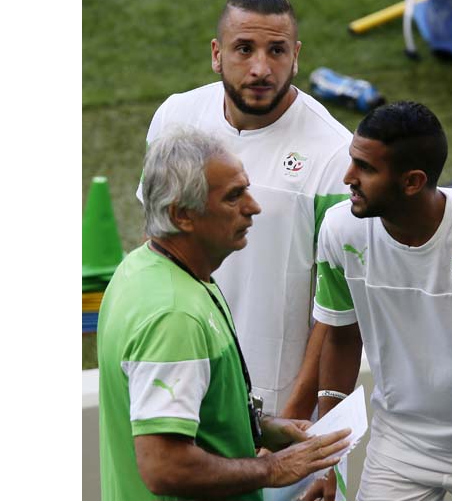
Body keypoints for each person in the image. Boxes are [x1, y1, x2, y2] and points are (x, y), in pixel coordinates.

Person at [136, 0, 352, 420]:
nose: (260, 68)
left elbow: (336, 311)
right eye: (244, 49)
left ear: (296, 56)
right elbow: (152, 244)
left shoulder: (335, 156)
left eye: (276, 51)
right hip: (179, 380)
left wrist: (295, 417)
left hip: (277, 407)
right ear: (217, 54)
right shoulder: (176, 118)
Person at [98, 128, 351, 501]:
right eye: (234, 196)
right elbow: (165, 466)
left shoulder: (144, 268)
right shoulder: (174, 317)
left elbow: (194, 414)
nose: (254, 206)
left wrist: (264, 429)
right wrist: (274, 468)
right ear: (182, 215)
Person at [307, 101, 452, 500]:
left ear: (412, 182)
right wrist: (327, 455)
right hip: (401, 446)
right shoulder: (342, 230)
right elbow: (341, 338)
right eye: (351, 161)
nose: (348, 177)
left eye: (366, 168)